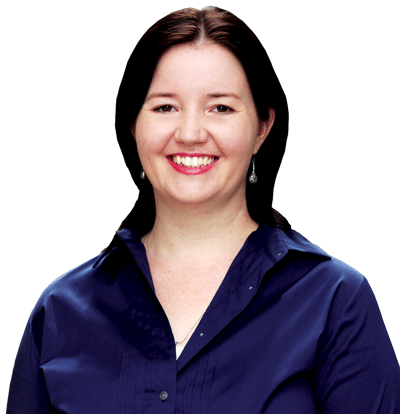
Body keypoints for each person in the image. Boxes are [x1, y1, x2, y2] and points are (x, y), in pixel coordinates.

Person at [7, 6, 400, 413]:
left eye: (221, 108)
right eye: (165, 107)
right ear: (132, 126)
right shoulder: (61, 311)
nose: (191, 133)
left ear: (262, 127)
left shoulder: (334, 300)